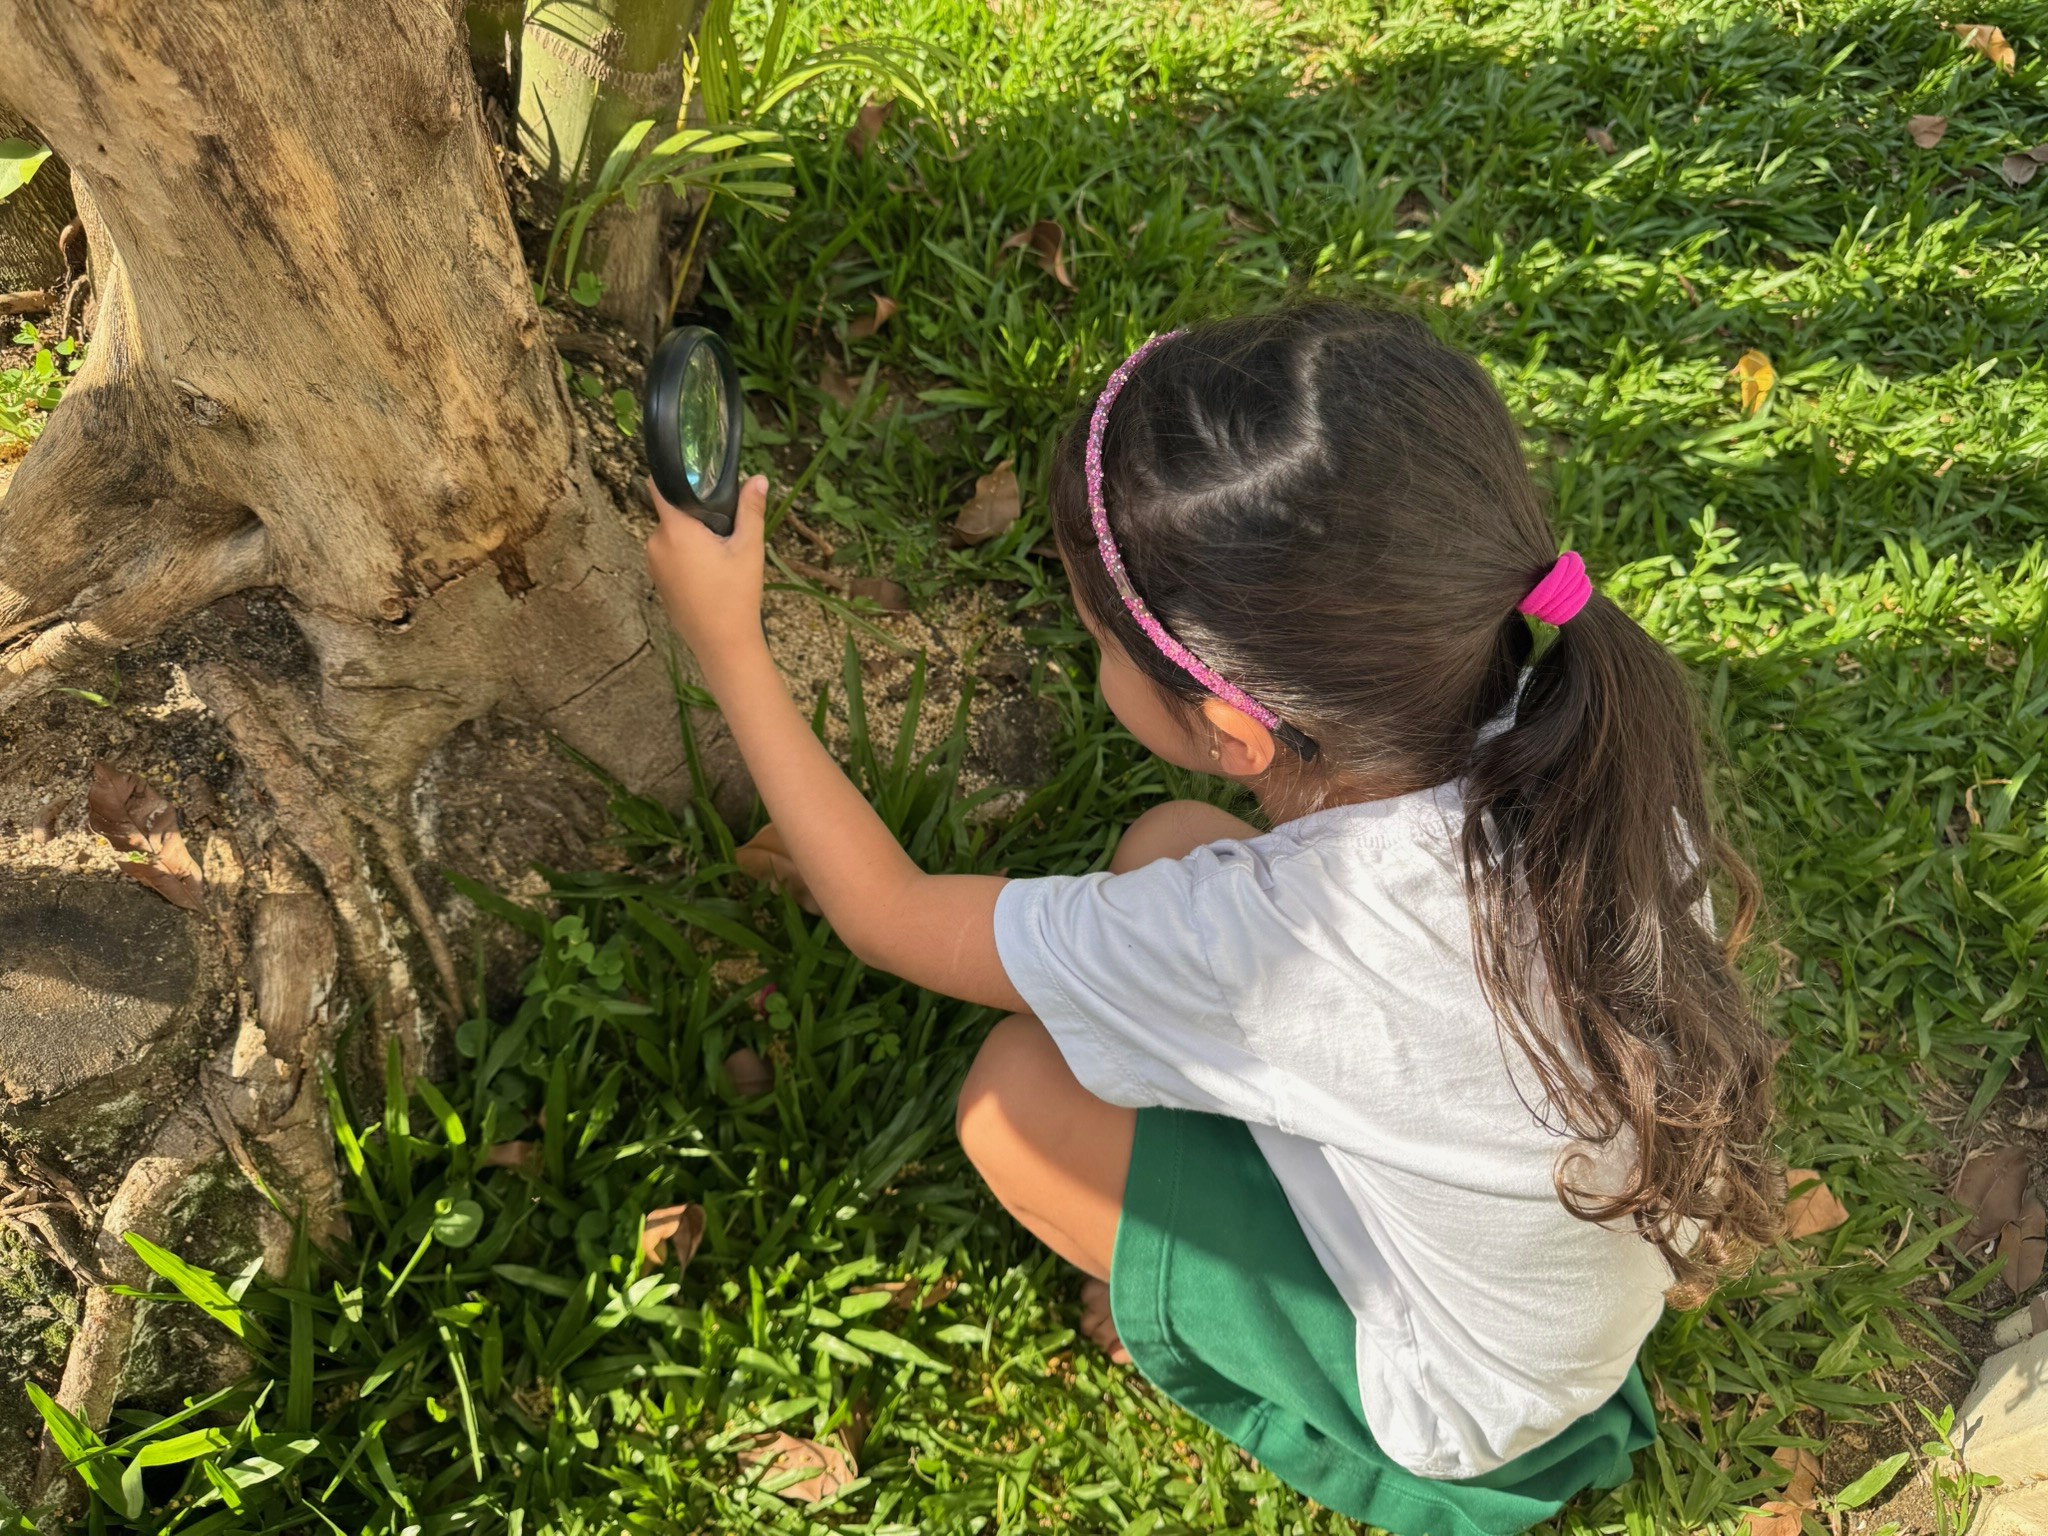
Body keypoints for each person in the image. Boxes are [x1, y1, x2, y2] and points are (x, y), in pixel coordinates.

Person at [645, 302, 1781, 1536]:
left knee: (1013, 1101)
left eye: (1098, 645)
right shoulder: (1572, 733)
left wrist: (730, 647)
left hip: (1472, 1403)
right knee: (1163, 846)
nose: (1091, 662)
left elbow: (889, 915)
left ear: (1232, 731)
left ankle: (1223, 1335)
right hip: (1580, 1268)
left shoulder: (1284, 943)